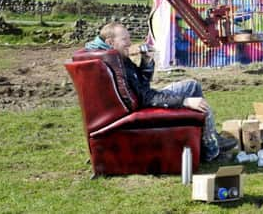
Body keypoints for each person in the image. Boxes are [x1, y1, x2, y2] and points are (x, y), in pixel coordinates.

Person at [85, 22, 237, 162]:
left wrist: (146, 62)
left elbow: (141, 84)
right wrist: (185, 101)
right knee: (204, 107)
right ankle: (211, 152)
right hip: (143, 103)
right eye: (125, 39)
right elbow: (146, 97)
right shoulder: (113, 61)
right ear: (110, 42)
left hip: (143, 98)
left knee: (192, 85)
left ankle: (210, 138)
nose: (130, 43)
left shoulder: (115, 57)